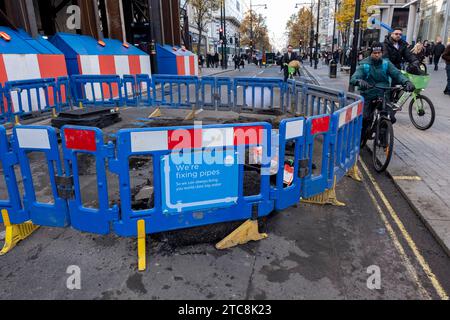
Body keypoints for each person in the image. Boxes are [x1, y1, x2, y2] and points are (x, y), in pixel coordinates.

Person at [350, 42, 415, 140]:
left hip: (383, 94)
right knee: (364, 118)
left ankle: (382, 133)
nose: (377, 55)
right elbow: (354, 77)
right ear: (371, 53)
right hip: (368, 93)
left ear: (382, 53)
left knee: (390, 117)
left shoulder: (386, 63)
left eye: (379, 52)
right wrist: (359, 81)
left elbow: (397, 74)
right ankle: (360, 139)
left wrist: (406, 82)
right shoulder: (365, 64)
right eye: (374, 53)